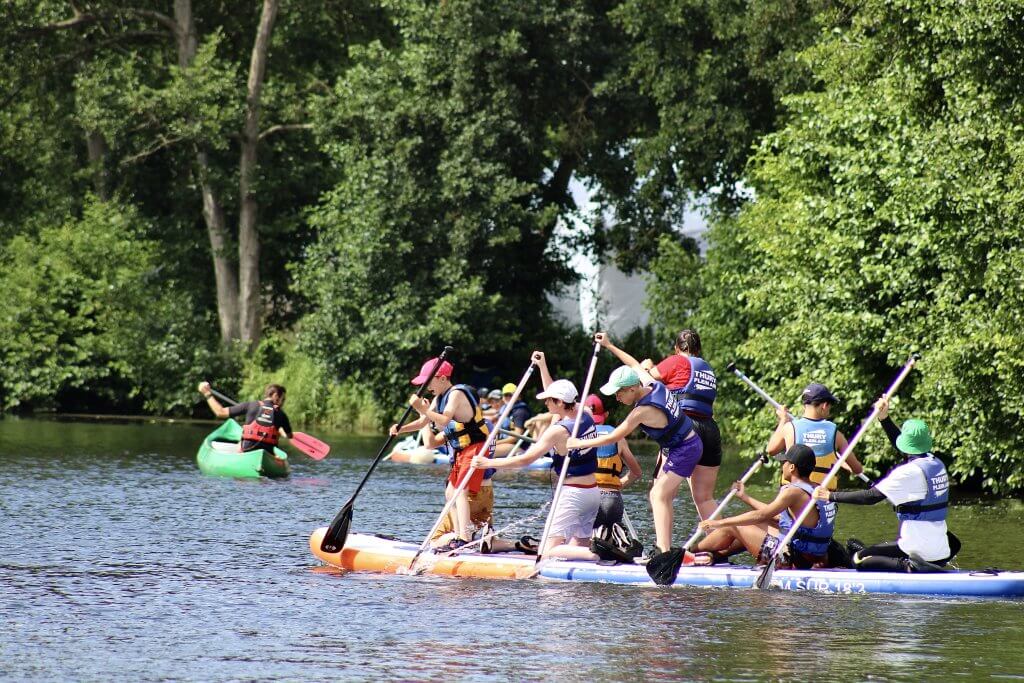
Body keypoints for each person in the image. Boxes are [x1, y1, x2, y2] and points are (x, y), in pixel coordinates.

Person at [567, 332, 703, 558]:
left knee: (658, 495)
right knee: (662, 496)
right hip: (681, 446)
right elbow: (632, 363)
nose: (617, 398)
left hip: (685, 449)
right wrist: (609, 345)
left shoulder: (642, 411)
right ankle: (665, 548)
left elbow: (612, 437)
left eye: (618, 393)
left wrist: (578, 442)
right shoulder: (651, 383)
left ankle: (663, 553)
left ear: (631, 389)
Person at [472, 351, 601, 560]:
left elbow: (526, 459)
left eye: (549, 400)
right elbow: (559, 396)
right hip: (592, 492)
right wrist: (542, 367)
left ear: (560, 403)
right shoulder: (585, 413)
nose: (545, 403)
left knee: (547, 551)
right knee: (577, 549)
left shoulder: (557, 431)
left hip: (573, 494)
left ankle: (601, 551)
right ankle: (598, 557)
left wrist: (488, 462)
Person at [814, 397, 958, 572]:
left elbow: (870, 497)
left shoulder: (908, 472)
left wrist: (830, 496)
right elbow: (905, 447)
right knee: (867, 550)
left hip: (919, 550)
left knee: (859, 559)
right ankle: (922, 563)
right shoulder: (935, 462)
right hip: (941, 549)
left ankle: (910, 567)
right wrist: (884, 418)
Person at [389, 357, 491, 552]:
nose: (427, 387)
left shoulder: (456, 394)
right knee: (450, 492)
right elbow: (423, 422)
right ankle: (460, 535)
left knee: (460, 490)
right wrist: (400, 429)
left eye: (429, 382)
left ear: (443, 378)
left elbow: (444, 420)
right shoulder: (439, 398)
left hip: (475, 447)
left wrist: (422, 408)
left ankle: (464, 538)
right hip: (462, 450)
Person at [695, 445, 838, 569]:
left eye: (784, 462)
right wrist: (745, 497)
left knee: (735, 526)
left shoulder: (793, 491)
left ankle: (690, 552)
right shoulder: (818, 489)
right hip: (812, 556)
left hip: (791, 559)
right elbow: (776, 516)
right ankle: (715, 556)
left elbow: (761, 515)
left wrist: (718, 523)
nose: (782, 466)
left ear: (792, 467)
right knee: (754, 523)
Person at [639, 329, 721, 520]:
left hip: (684, 429)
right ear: (698, 349)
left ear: (677, 348)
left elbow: (645, 381)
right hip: (710, 430)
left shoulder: (676, 361)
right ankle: (720, 538)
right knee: (704, 499)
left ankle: (662, 539)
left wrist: (646, 367)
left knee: (661, 494)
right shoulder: (707, 368)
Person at [766, 382, 865, 490]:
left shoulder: (789, 428)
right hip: (823, 495)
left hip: (793, 495)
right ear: (824, 405)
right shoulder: (836, 434)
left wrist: (783, 420)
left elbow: (771, 450)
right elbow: (857, 469)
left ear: (804, 404)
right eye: (830, 406)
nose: (829, 409)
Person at [586, 395, 645, 563]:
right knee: (609, 542)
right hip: (613, 499)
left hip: (590, 498)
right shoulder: (617, 436)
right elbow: (636, 472)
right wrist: (617, 485)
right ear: (605, 415)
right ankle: (616, 539)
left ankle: (600, 538)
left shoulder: (579, 435)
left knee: (583, 541)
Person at [198, 382, 292, 452]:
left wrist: (207, 394)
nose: (283, 403)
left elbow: (220, 412)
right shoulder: (282, 414)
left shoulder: (251, 405)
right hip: (268, 453)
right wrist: (279, 430)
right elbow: (289, 436)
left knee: (240, 443)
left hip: (247, 450)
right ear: (275, 395)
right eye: (282, 399)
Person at [493, 382, 533, 457]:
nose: (508, 397)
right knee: (483, 447)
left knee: (490, 450)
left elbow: (516, 436)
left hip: (520, 447)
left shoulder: (520, 412)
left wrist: (496, 443)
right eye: (505, 395)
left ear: (518, 396)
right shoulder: (506, 410)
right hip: (507, 444)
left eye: (510, 395)